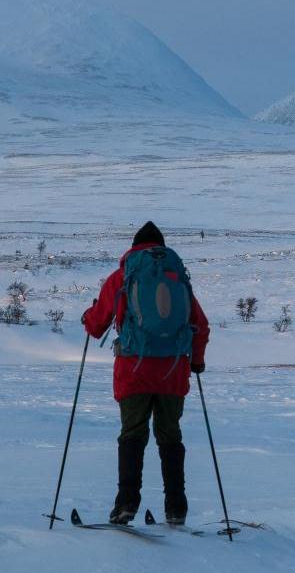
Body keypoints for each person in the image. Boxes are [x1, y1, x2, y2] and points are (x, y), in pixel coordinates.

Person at [82, 221, 209, 525]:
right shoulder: (176, 276)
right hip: (173, 371)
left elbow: (97, 323)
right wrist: (196, 363)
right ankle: (176, 507)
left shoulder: (124, 274)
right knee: (170, 436)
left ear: (134, 246)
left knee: (133, 434)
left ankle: (126, 503)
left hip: (134, 369)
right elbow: (200, 326)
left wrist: (88, 317)